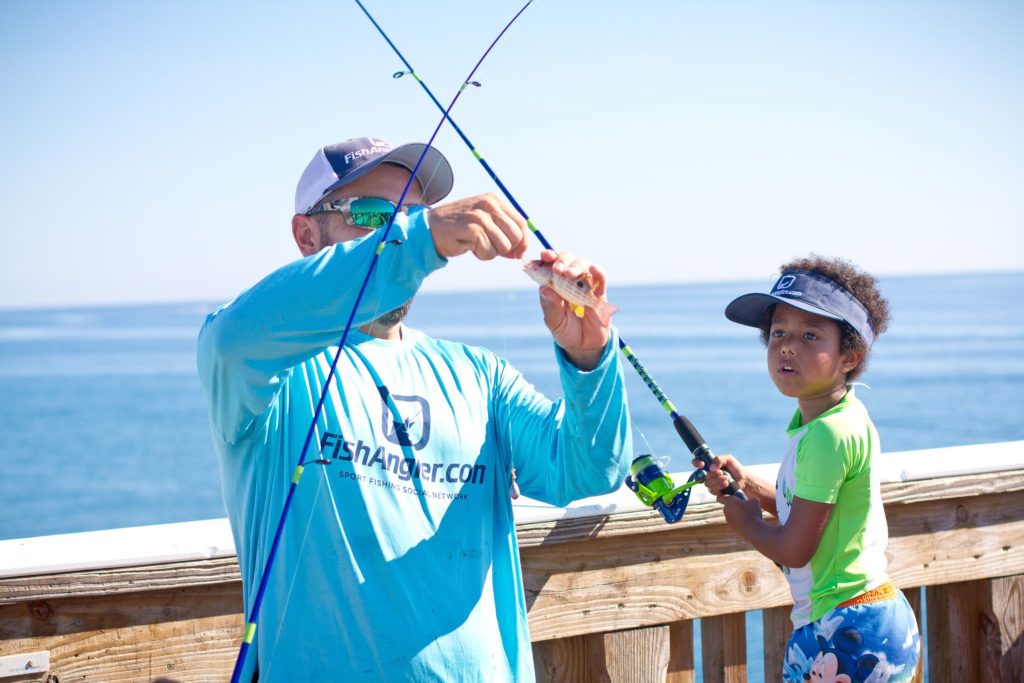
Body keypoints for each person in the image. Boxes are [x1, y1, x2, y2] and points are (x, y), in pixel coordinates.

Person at [197, 136, 633, 681]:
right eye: (374, 215)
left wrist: (588, 356)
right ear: (307, 235)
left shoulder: (479, 375)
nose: (396, 229)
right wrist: (420, 238)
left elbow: (589, 467)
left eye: (414, 214)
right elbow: (232, 337)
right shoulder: (272, 371)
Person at [695, 255, 920, 682]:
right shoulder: (836, 420)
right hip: (873, 619)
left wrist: (744, 519)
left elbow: (796, 548)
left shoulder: (825, 435)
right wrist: (751, 487)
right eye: (778, 332)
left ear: (849, 355)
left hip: (844, 631)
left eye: (810, 335)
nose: (787, 346)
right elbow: (816, 519)